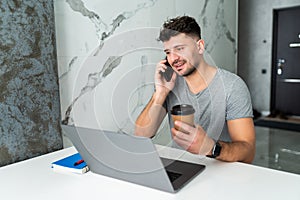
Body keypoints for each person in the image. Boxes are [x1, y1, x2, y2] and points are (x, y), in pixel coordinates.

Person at [135, 16, 255, 163]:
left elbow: (248, 152)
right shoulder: (169, 84)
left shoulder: (232, 86)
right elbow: (141, 135)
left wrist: (210, 148)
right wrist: (160, 93)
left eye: (179, 49)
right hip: (180, 167)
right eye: (168, 52)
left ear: (199, 46)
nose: (173, 59)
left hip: (220, 171)